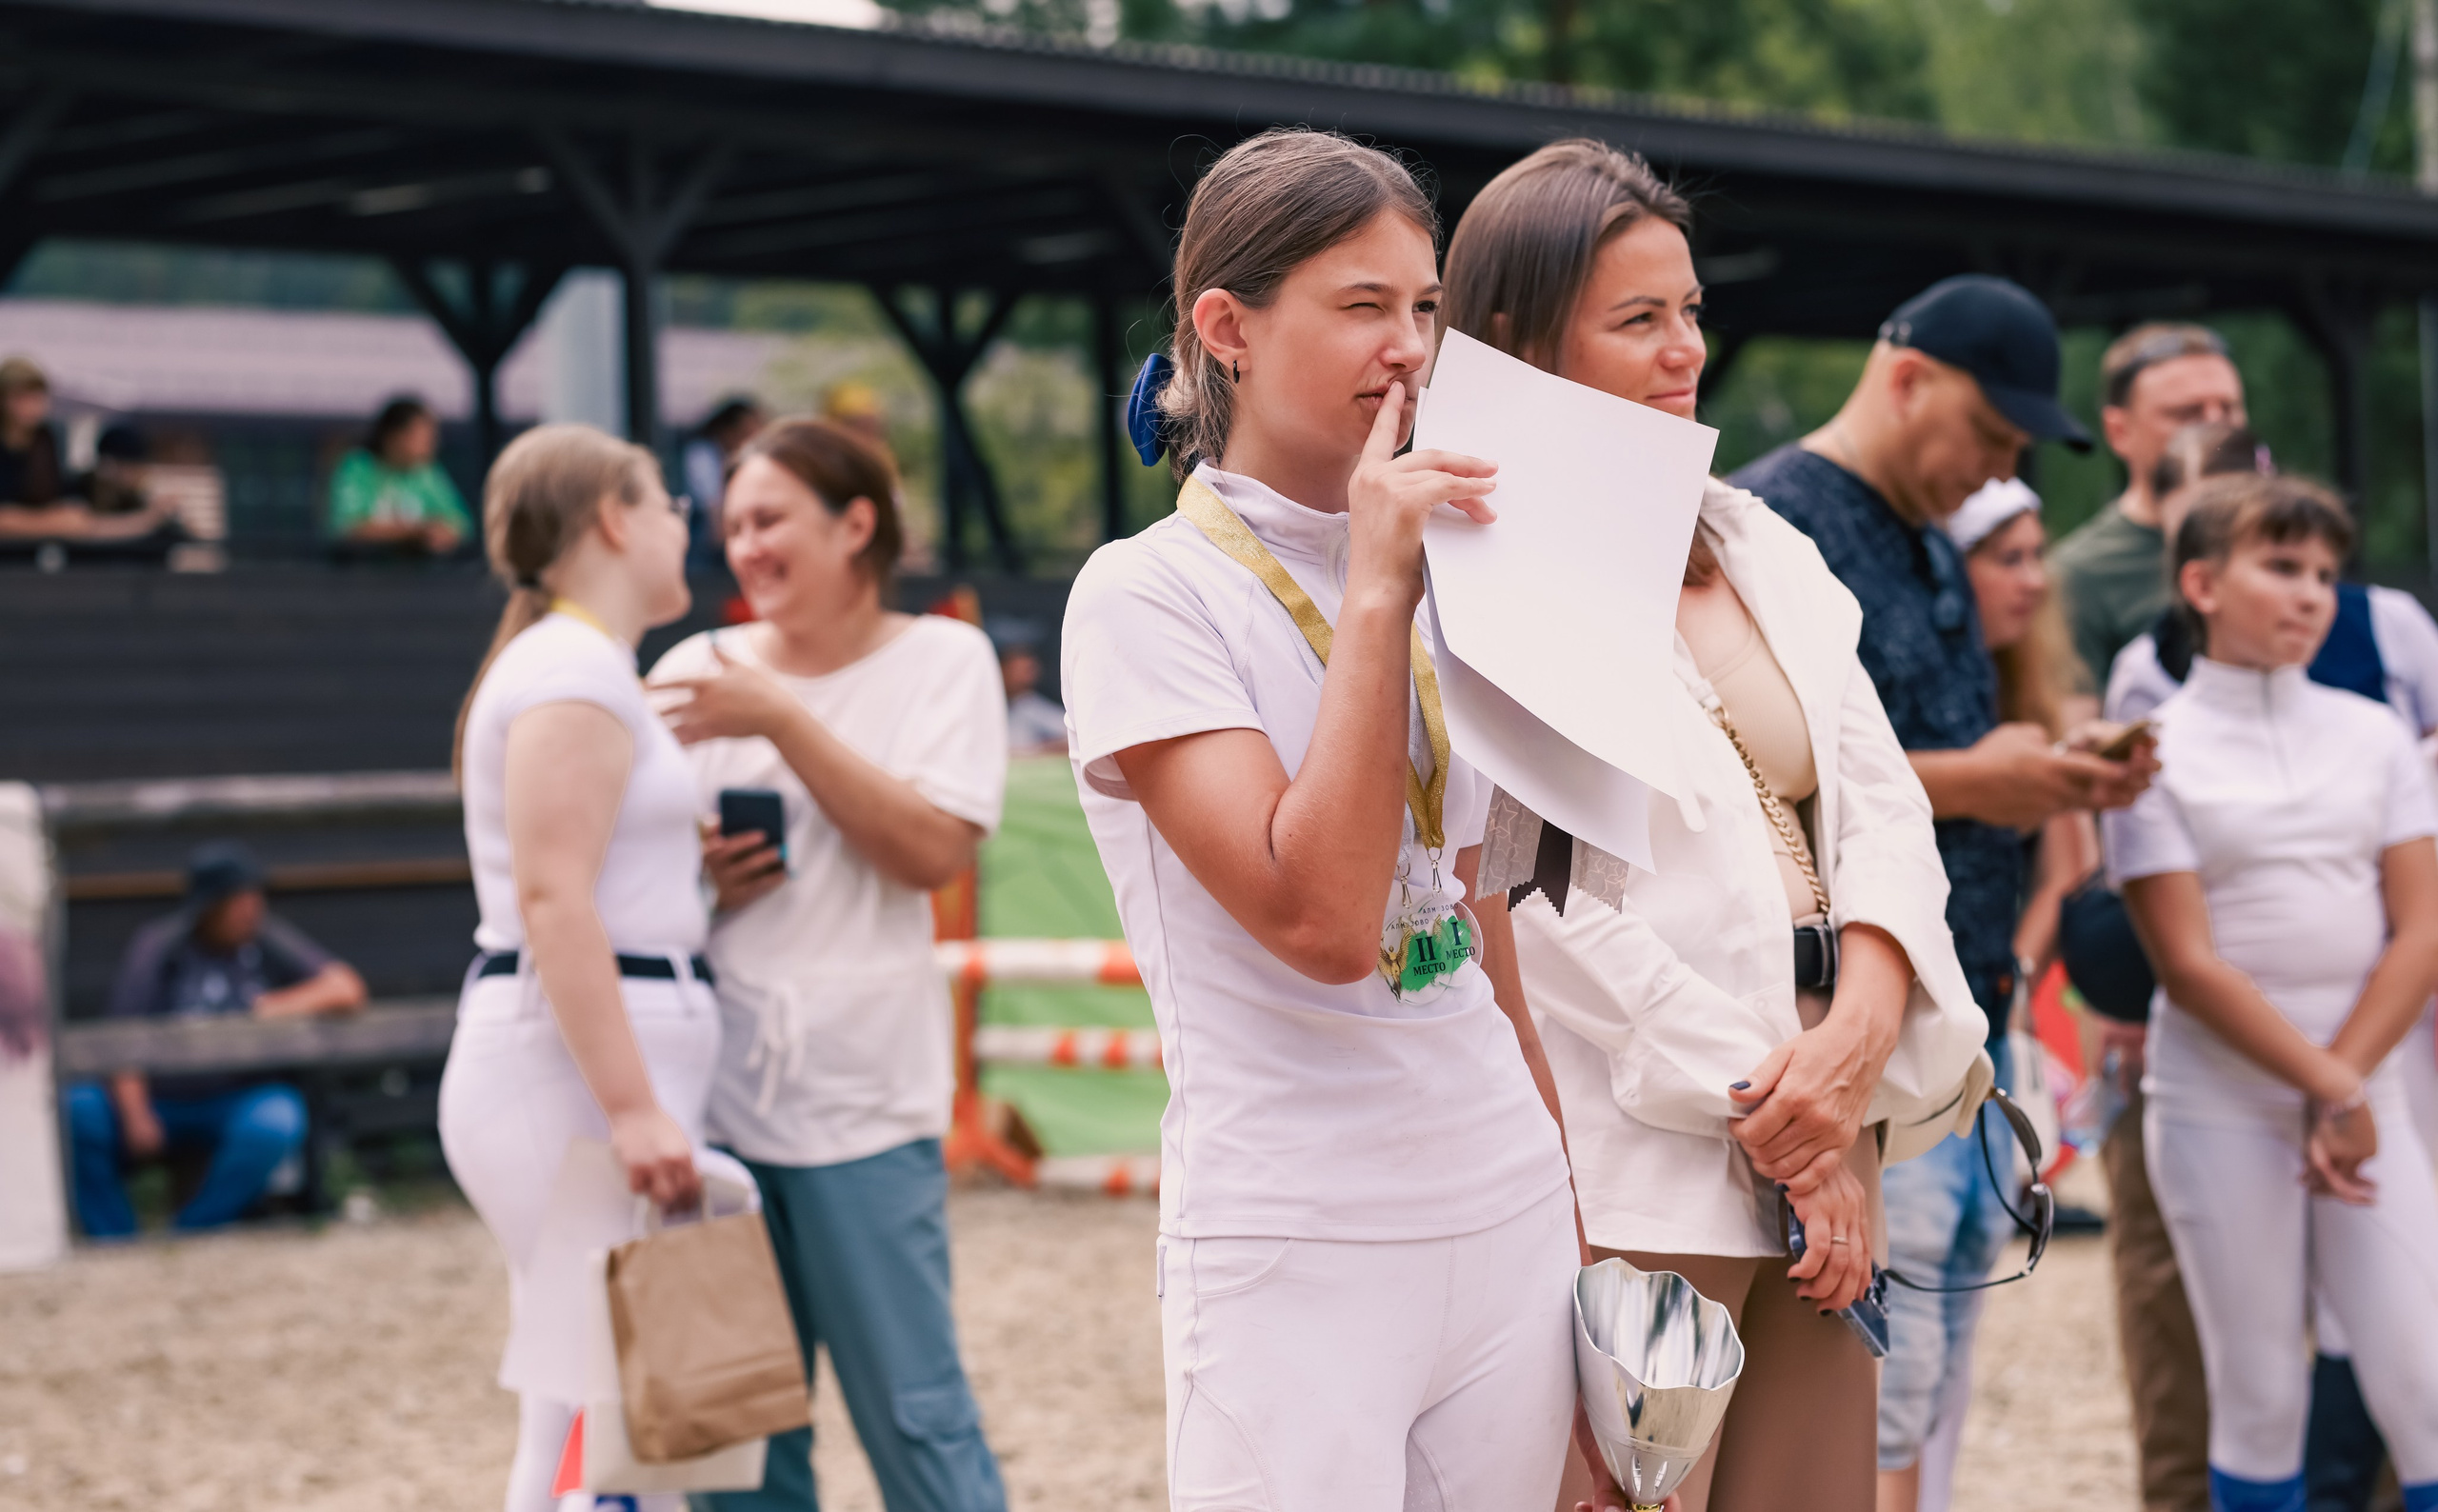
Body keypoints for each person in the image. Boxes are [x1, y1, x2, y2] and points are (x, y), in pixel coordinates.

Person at [1437, 139, 1987, 1512]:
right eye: (1637, 319)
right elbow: (1537, 907)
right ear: (1515, 340)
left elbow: (1883, 809)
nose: (1686, 347)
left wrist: (1856, 1047)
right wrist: (1786, 1110)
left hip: (1826, 1103)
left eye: (1689, 309)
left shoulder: (1761, 543)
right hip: (1638, 1153)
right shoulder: (1469, 573)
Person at [1062, 129, 1586, 1512]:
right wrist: (1374, 587)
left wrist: (1578, 1226)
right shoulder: (1146, 594)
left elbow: (1474, 918)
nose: (1409, 349)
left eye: (1424, 309)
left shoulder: (1459, 556)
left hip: (1505, 1192)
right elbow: (1323, 919)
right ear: (1225, 328)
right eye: (1363, 307)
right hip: (1295, 1230)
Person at [1727, 274, 2157, 1512]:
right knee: (1863, 1414)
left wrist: (2038, 775)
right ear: (1908, 378)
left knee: (1920, 1403)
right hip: (1840, 1046)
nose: (2001, 467)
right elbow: (1740, 782)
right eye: (1994, 433)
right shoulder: (1770, 525)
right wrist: (1985, 780)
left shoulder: (1914, 529)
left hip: (1952, 1036)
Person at [648, 418, 1011, 1512]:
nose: (746, 547)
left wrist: (780, 720)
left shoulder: (945, 657)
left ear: (857, 525)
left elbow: (931, 851)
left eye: (769, 521)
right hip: (699, 1106)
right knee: (729, 1445)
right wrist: (702, 880)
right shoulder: (684, 673)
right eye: (732, 528)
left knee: (917, 1416)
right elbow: (617, 892)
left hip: (863, 1103)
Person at [2109, 473, 2438, 1512]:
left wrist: (2347, 1088)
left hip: (2368, 1092)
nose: (2313, 595)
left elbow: (2422, 925)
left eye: (2327, 575)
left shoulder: (2375, 734)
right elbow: (2188, 965)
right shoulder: (2148, 750)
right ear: (2201, 581)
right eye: (2282, 567)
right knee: (2257, 1393)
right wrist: (2326, 1090)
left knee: (2421, 1379)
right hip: (2218, 1101)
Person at [437, 423, 720, 1512]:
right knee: (608, 1413)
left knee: (597, 1402)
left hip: (591, 1058)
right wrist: (634, 1107)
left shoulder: (582, 666)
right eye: (667, 505)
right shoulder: (572, 668)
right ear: (613, 517)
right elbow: (556, 900)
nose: (679, 526)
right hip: (579, 1074)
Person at [64, 842, 367, 1238]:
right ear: (210, 906)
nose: (250, 910)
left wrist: (277, 1004)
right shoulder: (161, 945)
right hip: (159, 1100)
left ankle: (193, 1230)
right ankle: (115, 1238)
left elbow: (348, 987)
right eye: (238, 901)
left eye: (254, 898)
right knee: (79, 1110)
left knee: (277, 1117)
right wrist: (136, 1114)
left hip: (228, 1101)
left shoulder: (266, 941)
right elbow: (124, 1034)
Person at [2050, 324, 2246, 688]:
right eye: (2187, 414)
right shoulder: (2079, 575)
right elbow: (2074, 733)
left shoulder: (2291, 542)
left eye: (2230, 408)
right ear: (2119, 432)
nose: (2218, 427)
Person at [0, 357, 176, 542]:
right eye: (22, 397)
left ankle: (146, 520)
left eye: (37, 396)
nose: (32, 405)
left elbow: (64, 504)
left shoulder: (46, 440)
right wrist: (50, 521)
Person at [328, 395, 472, 555]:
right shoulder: (358, 467)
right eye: (423, 437)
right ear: (394, 436)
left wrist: (440, 534)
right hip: (362, 574)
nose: (432, 445)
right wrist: (415, 533)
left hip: (422, 576)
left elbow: (461, 526)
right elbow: (350, 528)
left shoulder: (426, 473)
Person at [682, 394, 768, 567]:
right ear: (728, 432)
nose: (752, 441)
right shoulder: (702, 455)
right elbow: (715, 526)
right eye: (747, 433)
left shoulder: (738, 461)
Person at [990, 620, 1068, 755]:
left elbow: (1072, 739)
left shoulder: (1030, 705)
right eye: (1015, 665)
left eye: (1029, 664)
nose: (1028, 670)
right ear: (1000, 667)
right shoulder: (985, 705)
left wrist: (1038, 750)